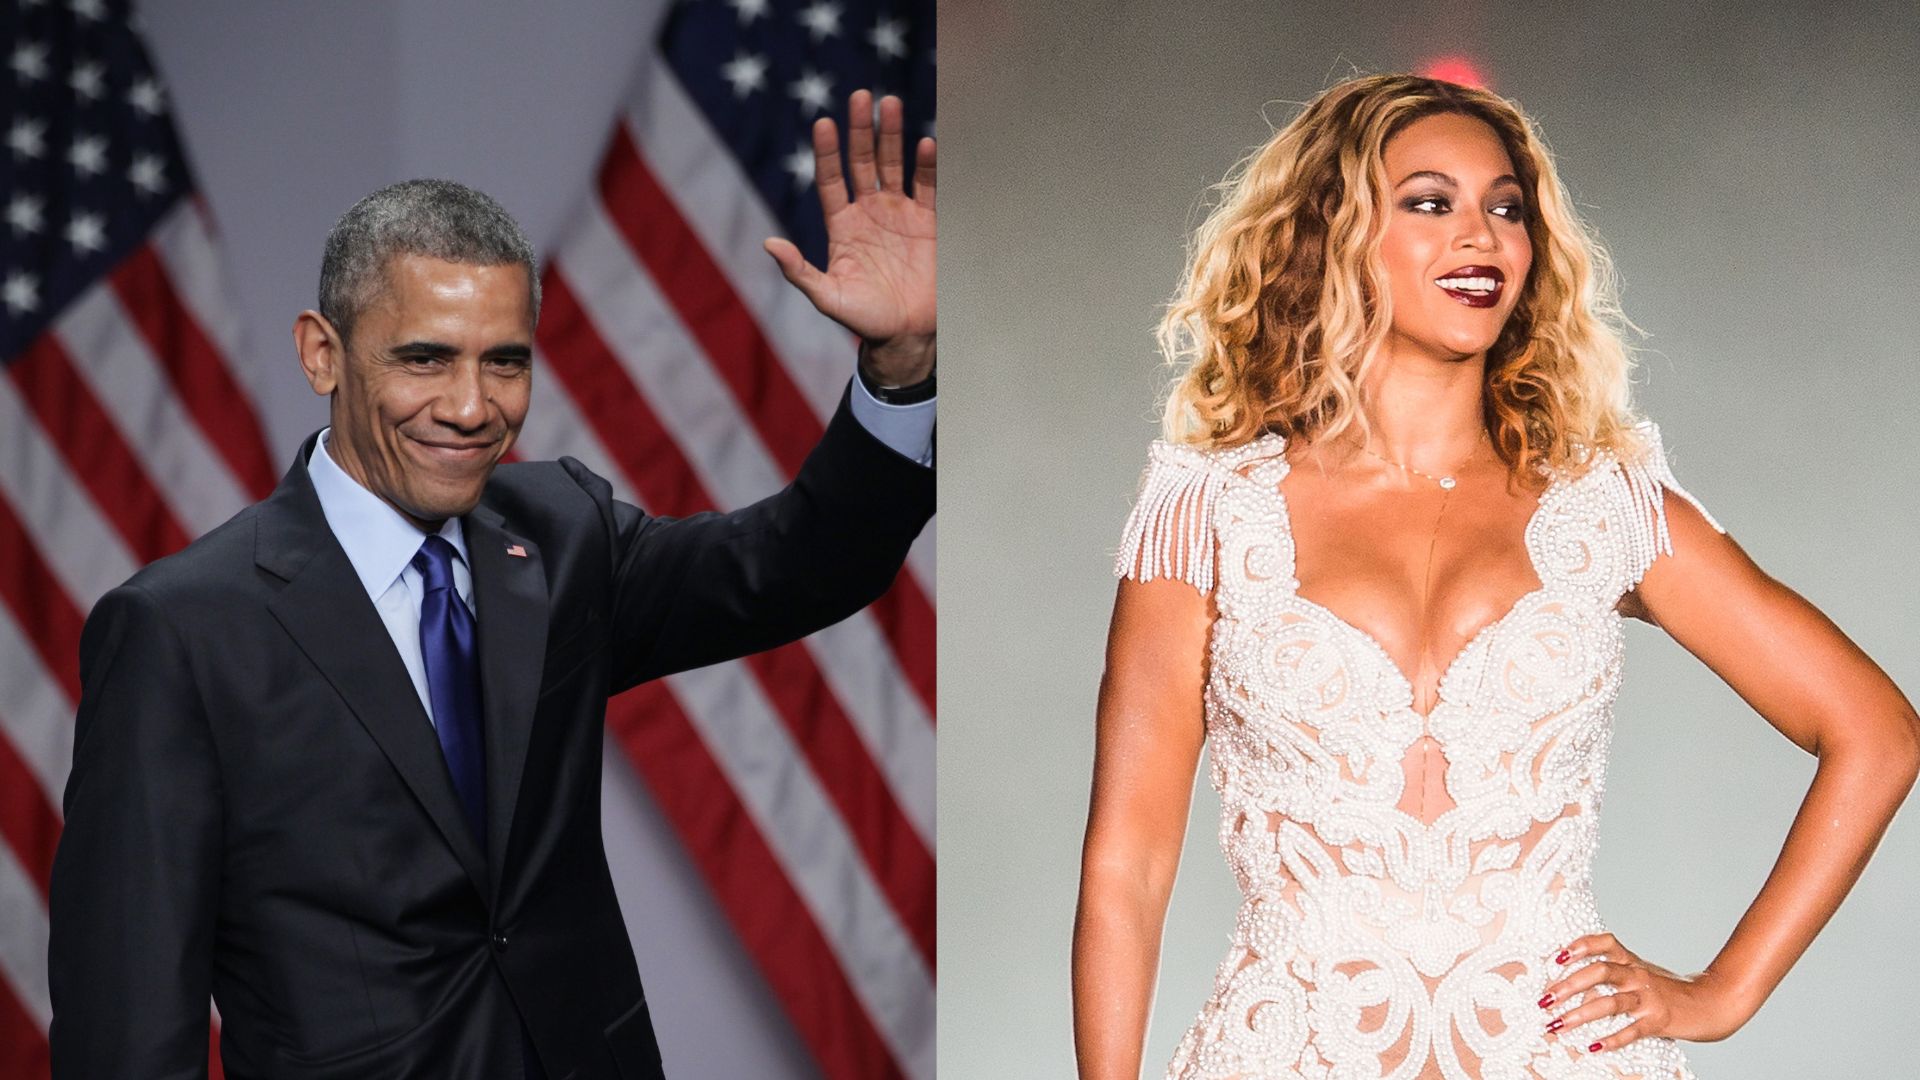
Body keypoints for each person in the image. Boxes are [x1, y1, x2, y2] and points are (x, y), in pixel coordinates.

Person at [47, 90, 934, 1080]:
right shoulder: (184, 630)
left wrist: (899, 375)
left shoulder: (558, 533)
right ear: (321, 353)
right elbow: (126, 1029)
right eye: (425, 359)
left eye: (504, 363)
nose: (472, 408)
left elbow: (792, 567)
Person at [1071, 74, 1919, 1080]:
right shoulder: (1205, 514)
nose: (1481, 235)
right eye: (1431, 202)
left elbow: (1875, 731)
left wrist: (1720, 994)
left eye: (1505, 207)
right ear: (1333, 232)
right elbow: (1127, 870)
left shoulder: (1604, 508)